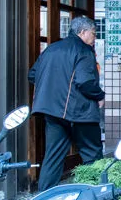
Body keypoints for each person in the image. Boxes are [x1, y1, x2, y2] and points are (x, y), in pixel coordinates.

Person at [29, 16, 105, 189]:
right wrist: (99, 95)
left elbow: (33, 74)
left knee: (53, 156)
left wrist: (55, 88)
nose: (94, 38)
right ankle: (96, 193)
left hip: (53, 111)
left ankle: (44, 196)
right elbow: (85, 82)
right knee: (92, 154)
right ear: (83, 32)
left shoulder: (51, 49)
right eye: (93, 33)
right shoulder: (84, 50)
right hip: (80, 112)